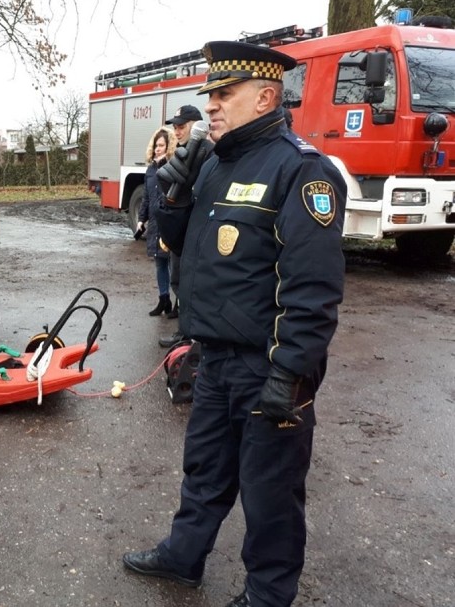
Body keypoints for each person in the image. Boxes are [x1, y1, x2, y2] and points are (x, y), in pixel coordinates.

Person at [122, 41, 347, 607]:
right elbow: (176, 245)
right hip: (215, 356)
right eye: (211, 95)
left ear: (266, 96)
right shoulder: (215, 163)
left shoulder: (302, 171)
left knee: (270, 491)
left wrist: (290, 374)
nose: (212, 106)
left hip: (268, 365)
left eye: (224, 94)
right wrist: (174, 185)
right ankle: (183, 557)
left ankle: (268, 594)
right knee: (204, 471)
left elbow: (313, 290)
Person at [157, 104, 212, 346]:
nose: (177, 132)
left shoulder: (211, 153)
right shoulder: (180, 153)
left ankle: (194, 336)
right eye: (175, 128)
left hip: (200, 230)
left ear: (196, 125)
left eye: (181, 127)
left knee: (195, 284)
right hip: (181, 231)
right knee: (178, 281)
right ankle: (184, 332)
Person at [136, 127, 176, 317]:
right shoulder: (150, 169)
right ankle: (164, 299)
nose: (157, 149)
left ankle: (179, 305)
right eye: (155, 145)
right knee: (159, 263)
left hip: (170, 223)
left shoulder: (173, 166)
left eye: (161, 145)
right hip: (154, 223)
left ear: (169, 147)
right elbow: (146, 197)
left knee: (174, 265)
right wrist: (141, 219)